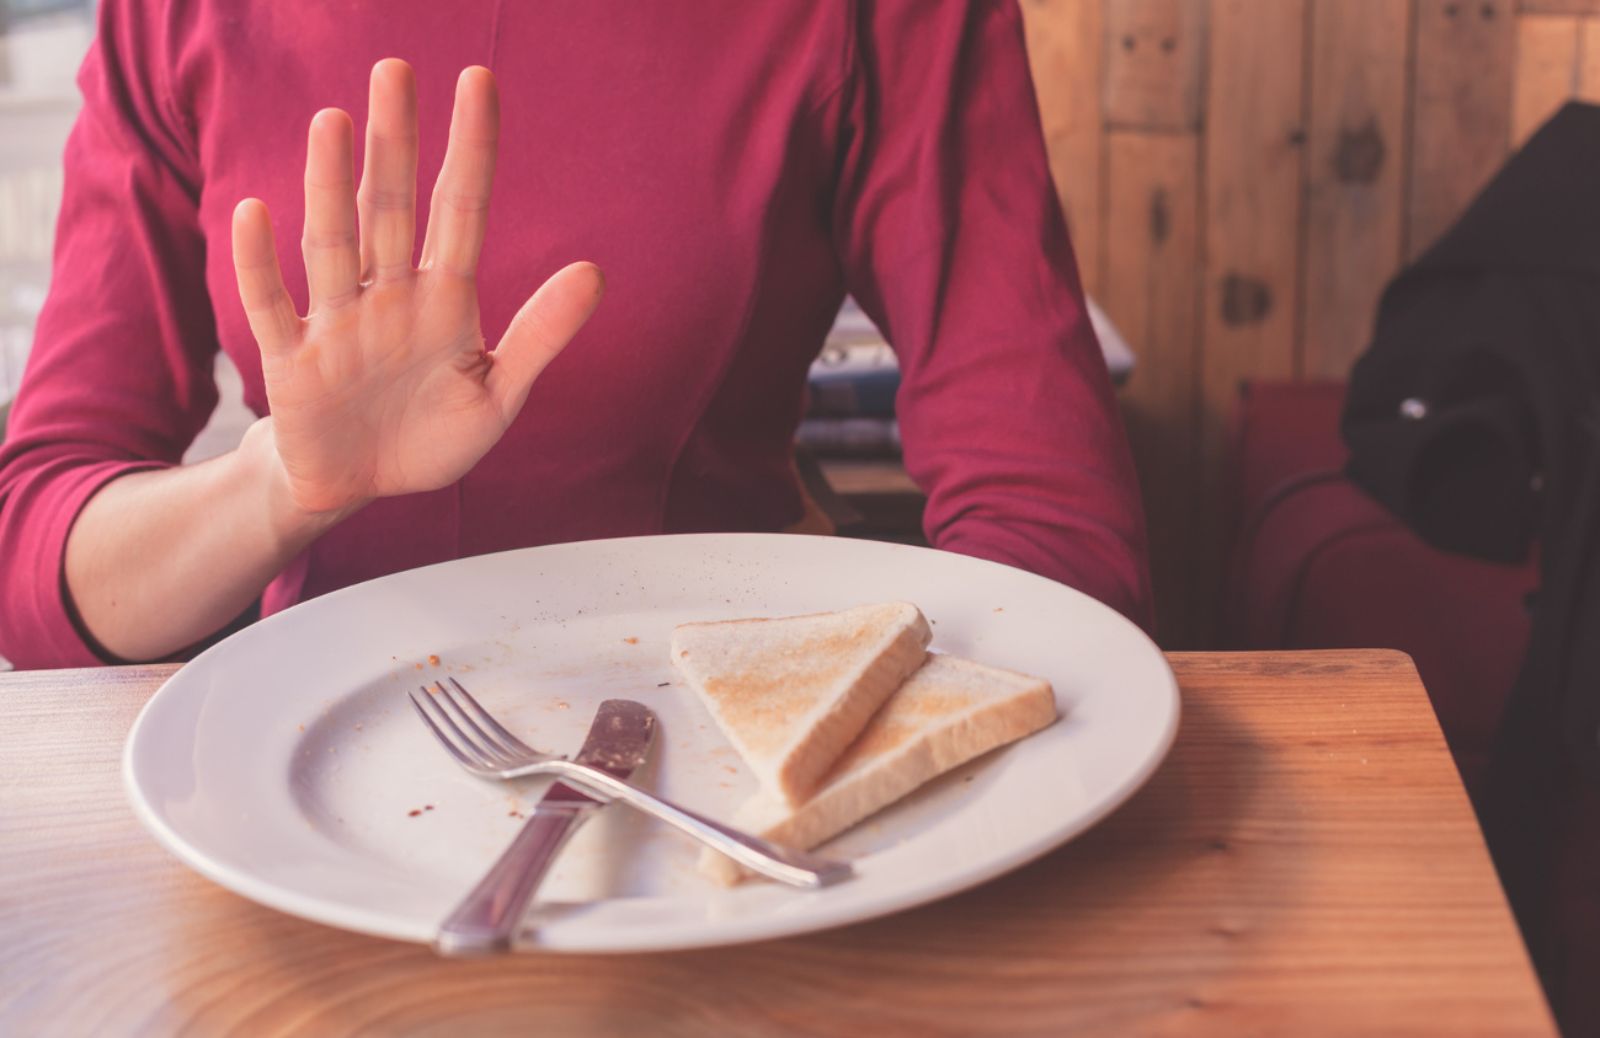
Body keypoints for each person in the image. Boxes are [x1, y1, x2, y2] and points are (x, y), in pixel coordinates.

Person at [0, 1, 1150, 669]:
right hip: (303, 774)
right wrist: (276, 493)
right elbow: (34, 560)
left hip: (738, 768)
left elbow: (1056, 533)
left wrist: (827, 750)